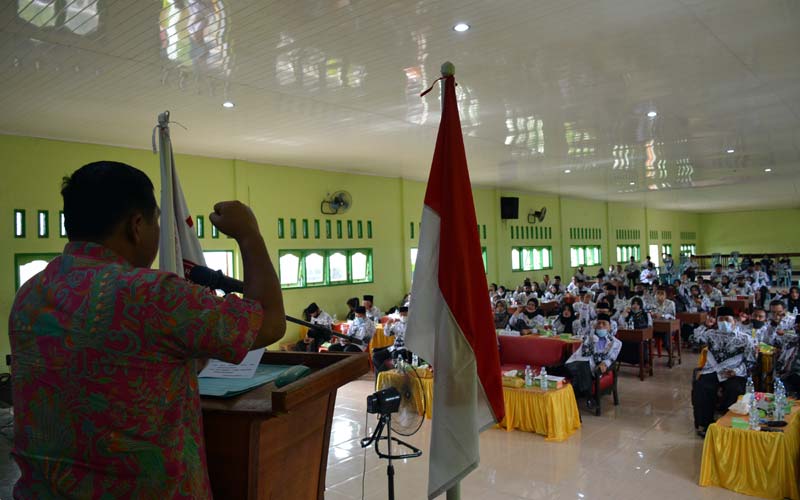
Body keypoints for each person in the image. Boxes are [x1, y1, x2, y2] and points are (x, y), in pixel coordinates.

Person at [8, 161, 286, 498]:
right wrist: (248, 233)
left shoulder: (31, 292)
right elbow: (269, 323)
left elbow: (101, 370)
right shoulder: (149, 294)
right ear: (136, 225)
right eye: (156, 223)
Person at [691, 307, 755, 437]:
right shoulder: (710, 334)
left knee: (735, 389)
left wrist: (736, 371)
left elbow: (750, 362)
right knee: (702, 387)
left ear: (735, 321)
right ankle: (705, 424)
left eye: (727, 319)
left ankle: (728, 424)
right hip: (711, 371)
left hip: (733, 373)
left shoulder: (745, 338)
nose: (724, 322)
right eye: (720, 320)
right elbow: (695, 340)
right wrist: (705, 325)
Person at [566, 313, 622, 409]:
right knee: (584, 365)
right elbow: (585, 354)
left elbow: (612, 357)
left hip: (591, 368)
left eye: (604, 324)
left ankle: (572, 400)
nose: (600, 325)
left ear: (609, 327)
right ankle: (589, 397)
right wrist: (592, 342)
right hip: (574, 363)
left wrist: (605, 363)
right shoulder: (589, 338)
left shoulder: (616, 343)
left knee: (582, 371)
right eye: (599, 323)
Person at [372, 307, 410, 373]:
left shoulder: (412, 325)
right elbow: (387, 334)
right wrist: (388, 324)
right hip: (394, 347)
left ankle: (386, 376)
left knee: (395, 357)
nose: (403, 316)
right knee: (376, 356)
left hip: (405, 348)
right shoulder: (397, 324)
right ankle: (382, 375)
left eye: (405, 315)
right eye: (401, 315)